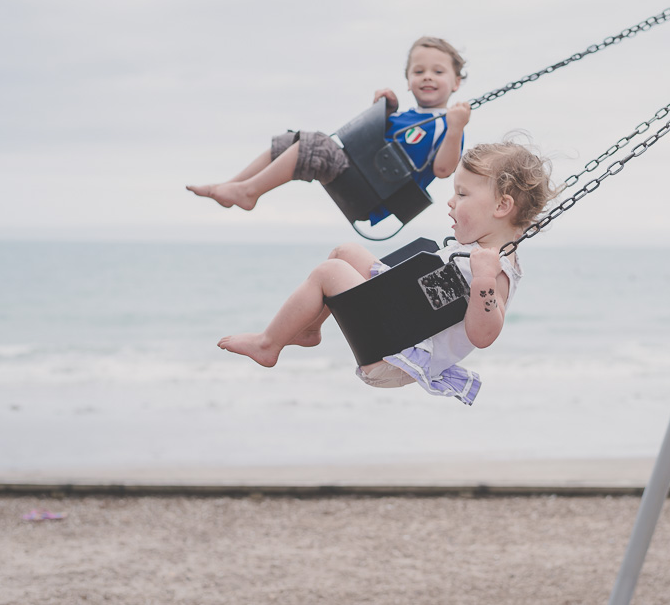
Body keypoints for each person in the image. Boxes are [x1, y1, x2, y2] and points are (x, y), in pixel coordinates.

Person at [217, 140, 557, 405]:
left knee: (330, 272)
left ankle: (268, 344)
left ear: (502, 206)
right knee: (344, 253)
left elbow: (483, 335)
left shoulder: (497, 269)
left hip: (395, 354)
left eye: (463, 194)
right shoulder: (475, 251)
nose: (451, 202)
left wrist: (484, 280)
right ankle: (309, 330)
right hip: (400, 325)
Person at [186, 36, 471, 225]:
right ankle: (233, 186)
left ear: (456, 82)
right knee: (292, 142)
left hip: (378, 192)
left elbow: (444, 169)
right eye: (418, 72)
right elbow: (369, 142)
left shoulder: (447, 124)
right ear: (408, 81)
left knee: (317, 146)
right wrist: (383, 111)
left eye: (438, 71)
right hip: (362, 174)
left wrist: (456, 128)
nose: (427, 77)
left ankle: (248, 192)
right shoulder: (406, 116)